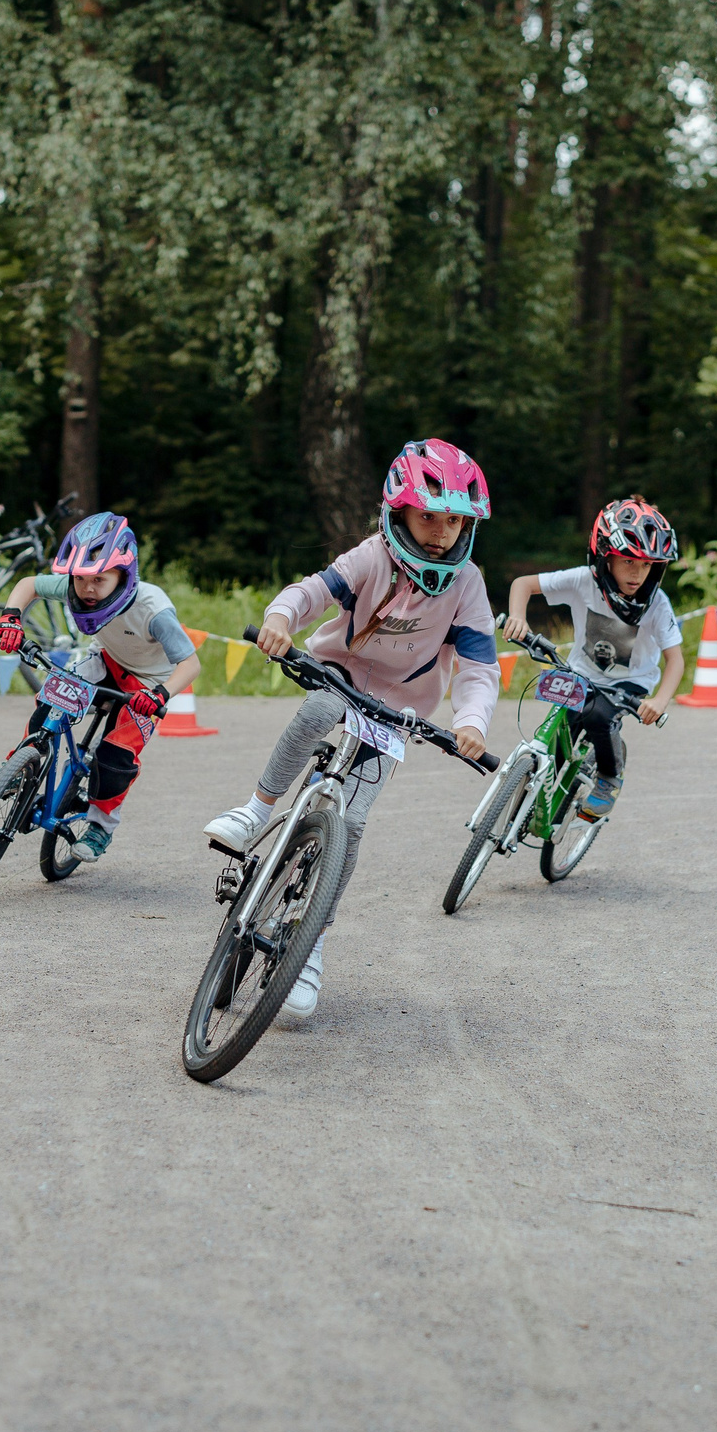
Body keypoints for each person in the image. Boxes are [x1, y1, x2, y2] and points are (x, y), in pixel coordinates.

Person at [200, 439, 499, 1024]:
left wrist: (471, 723)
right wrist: (279, 620)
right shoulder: (373, 556)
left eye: (455, 521)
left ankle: (308, 943)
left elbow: (480, 667)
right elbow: (309, 593)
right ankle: (257, 810)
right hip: (343, 671)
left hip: (400, 705)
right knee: (317, 713)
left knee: (352, 826)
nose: (441, 532)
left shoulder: (467, 583)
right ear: (397, 513)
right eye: (428, 515)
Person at [0, 512, 202, 863]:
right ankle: (17, 767)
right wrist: (11, 616)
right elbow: (29, 584)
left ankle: (101, 826)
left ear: (124, 574)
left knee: (115, 758)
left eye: (99, 579)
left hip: (145, 686)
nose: (87, 589)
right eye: (80, 578)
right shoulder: (77, 587)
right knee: (52, 700)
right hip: (104, 660)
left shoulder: (154, 609)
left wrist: (160, 694)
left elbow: (190, 665)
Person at [501, 495, 685, 820]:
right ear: (605, 557)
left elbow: (676, 660)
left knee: (600, 716)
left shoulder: (657, 605)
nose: (638, 573)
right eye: (628, 560)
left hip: (628, 684)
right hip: (580, 673)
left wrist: (660, 701)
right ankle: (540, 800)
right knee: (558, 734)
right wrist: (518, 617)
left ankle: (610, 776)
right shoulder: (583, 581)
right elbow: (523, 584)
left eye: (647, 565)